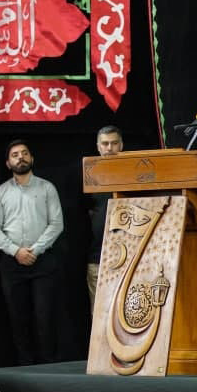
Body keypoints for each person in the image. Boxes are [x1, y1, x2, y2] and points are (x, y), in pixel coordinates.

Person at [0, 140, 64, 366]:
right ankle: (25, 366)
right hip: (12, 262)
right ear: (8, 163)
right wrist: (16, 251)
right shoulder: (0, 192)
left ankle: (49, 364)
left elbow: (56, 224)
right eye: (15, 155)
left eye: (24, 153)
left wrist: (35, 250)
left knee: (44, 316)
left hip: (43, 260)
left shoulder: (47, 188)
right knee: (17, 317)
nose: (20, 157)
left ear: (32, 158)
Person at [87, 125, 124, 308]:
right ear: (98, 147)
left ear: (121, 145)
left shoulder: (133, 174)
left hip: (129, 255)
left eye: (114, 143)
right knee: (100, 310)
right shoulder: (89, 176)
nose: (109, 148)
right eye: (105, 144)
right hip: (97, 257)